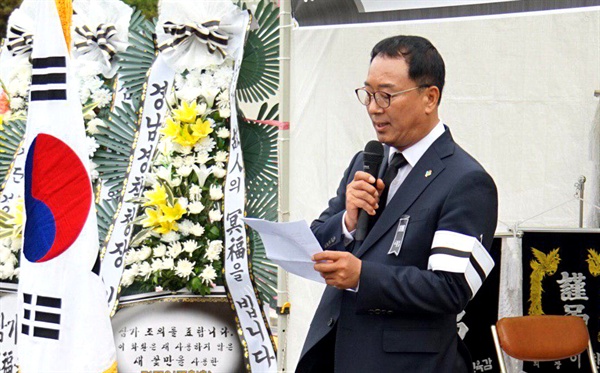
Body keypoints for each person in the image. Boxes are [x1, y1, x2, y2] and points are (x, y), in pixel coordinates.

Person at [295, 35, 498, 373]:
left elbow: (451, 288)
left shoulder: (465, 180)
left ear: (429, 98)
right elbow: (318, 241)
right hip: (333, 353)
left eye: (387, 95)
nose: (374, 107)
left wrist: (363, 276)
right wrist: (347, 220)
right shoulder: (367, 160)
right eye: (369, 94)